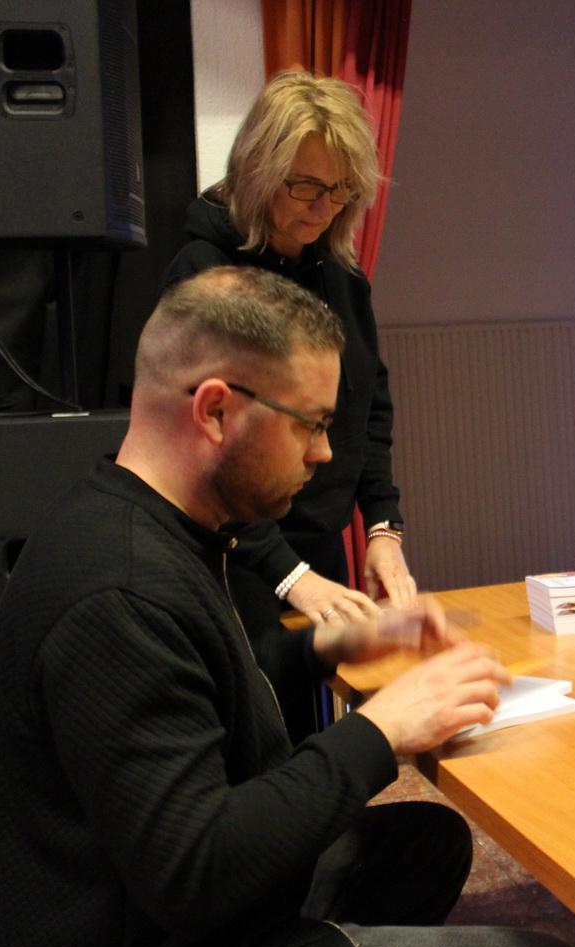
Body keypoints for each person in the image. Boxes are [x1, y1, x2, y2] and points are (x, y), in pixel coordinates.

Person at [0, 266, 575, 947]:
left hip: (173, 932)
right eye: (311, 423)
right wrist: (380, 729)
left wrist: (333, 646)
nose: (324, 452)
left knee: (426, 844)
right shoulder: (120, 591)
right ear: (215, 410)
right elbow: (194, 871)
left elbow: (206, 685)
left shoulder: (148, 523)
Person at [163, 70, 413, 741]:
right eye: (304, 185)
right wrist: (288, 574)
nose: (324, 207)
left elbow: (369, 408)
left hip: (316, 549)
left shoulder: (343, 277)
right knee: (257, 741)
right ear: (258, 170)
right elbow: (204, 450)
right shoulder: (205, 271)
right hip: (234, 559)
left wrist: (383, 528)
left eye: (340, 189)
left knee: (311, 730)